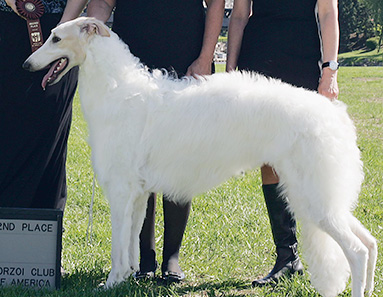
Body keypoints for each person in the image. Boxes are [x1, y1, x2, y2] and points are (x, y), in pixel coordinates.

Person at [62, 0, 225, 282]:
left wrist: (205, 57)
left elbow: (216, 4)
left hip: (184, 52)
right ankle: (144, 258)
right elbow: (102, 2)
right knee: (134, 159)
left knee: (177, 155)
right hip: (130, 57)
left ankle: (171, 258)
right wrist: (90, 30)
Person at [227, 0, 340, 286]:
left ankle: (326, 252)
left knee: (309, 156)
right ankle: (287, 257)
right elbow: (239, 15)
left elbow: (328, 12)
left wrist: (330, 71)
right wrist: (230, 71)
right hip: (258, 58)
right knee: (270, 156)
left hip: (302, 55)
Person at [0, 0, 81, 210]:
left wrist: (63, 31)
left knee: (48, 134)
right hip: (7, 26)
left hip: (59, 31)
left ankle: (43, 229)